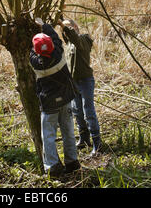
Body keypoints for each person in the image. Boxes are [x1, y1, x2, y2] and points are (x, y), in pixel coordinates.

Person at [30, 18, 80, 177]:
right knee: (68, 131)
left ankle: (52, 166)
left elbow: (31, 50)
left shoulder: (36, 62)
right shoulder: (58, 53)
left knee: (49, 136)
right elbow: (56, 38)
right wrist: (43, 25)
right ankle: (72, 161)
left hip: (49, 103)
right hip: (65, 98)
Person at [58, 18, 102, 157]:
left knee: (88, 111)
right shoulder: (70, 42)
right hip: (74, 82)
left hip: (86, 81)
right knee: (77, 111)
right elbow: (69, 37)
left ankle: (97, 143)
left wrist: (63, 25)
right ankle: (84, 139)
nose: (65, 32)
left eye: (68, 28)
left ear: (75, 27)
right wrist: (60, 17)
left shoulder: (83, 39)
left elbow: (75, 38)